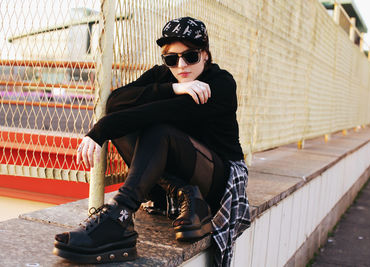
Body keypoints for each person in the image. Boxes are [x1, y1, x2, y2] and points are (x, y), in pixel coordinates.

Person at [53, 17, 250, 266]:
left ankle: (120, 215)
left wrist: (99, 131)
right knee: (125, 125)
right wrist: (172, 88)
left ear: (205, 55)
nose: (181, 66)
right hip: (179, 178)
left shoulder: (220, 84)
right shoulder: (164, 76)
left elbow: (161, 114)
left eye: (190, 57)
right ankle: (183, 191)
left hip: (219, 179)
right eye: (171, 59)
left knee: (156, 129)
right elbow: (116, 101)